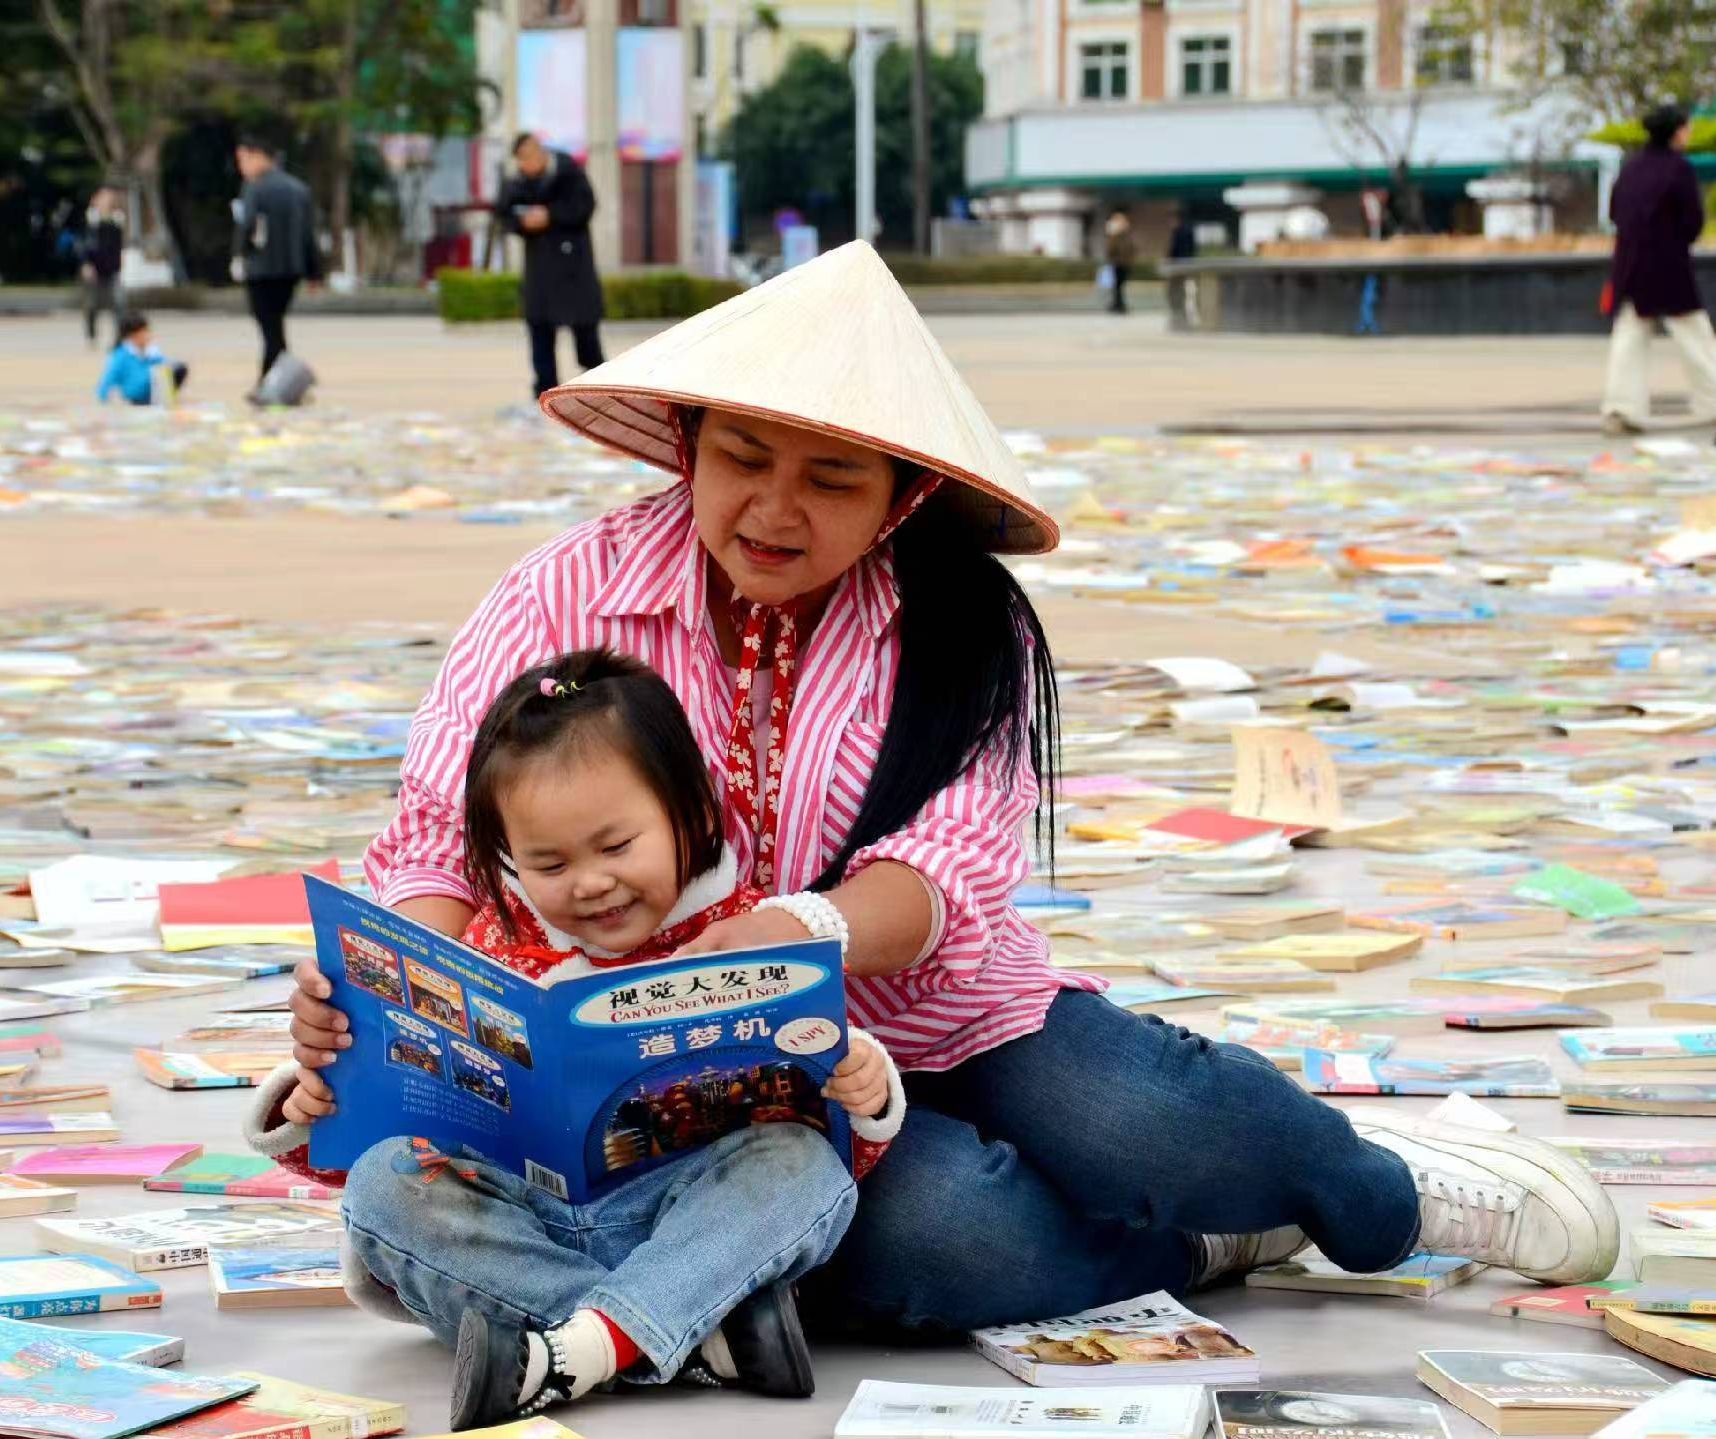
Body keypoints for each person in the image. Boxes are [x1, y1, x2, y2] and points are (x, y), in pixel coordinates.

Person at [263, 241, 1620, 1343]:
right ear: (684, 441)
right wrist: (402, 988)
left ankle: (1369, 1188)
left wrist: (791, 936)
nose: (772, 508)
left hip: (943, 1008)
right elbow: (438, 827)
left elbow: (949, 872)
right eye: (741, 457)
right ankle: (1211, 1231)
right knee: (930, 1244)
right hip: (712, 1095)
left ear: (904, 492)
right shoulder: (559, 594)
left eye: (831, 477)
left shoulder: (960, 629)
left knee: (1156, 1124)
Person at [247, 648, 904, 1429]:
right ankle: (683, 1337)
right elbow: (382, 1139)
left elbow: (826, 1131)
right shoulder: (486, 954)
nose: (590, 882)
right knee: (384, 1186)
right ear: (506, 859)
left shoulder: (745, 942)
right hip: (525, 1224)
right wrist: (315, 1095)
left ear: (689, 814)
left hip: (687, 1217)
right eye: (549, 862)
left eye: (617, 846)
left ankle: (564, 1352)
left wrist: (865, 1090)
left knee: (801, 1165)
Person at [1602, 103, 1716, 435]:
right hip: (1669, 264)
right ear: (1677, 130)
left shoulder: (1630, 167)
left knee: (1630, 337)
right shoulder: (1679, 168)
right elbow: (1693, 220)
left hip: (1630, 264)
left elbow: (1615, 212)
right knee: (1694, 335)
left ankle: (1621, 408)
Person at [496, 133, 604, 398]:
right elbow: (503, 213)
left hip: (573, 266)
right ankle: (545, 390)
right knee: (540, 329)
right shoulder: (518, 183)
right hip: (540, 269)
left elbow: (585, 206)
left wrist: (550, 215)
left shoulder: (569, 173)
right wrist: (522, 222)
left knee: (585, 330)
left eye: (531, 155)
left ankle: (599, 385)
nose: (528, 162)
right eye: (522, 158)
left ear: (541, 151)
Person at [232, 137, 317, 387]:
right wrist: (314, 272)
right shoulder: (298, 188)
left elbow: (246, 226)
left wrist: (239, 255)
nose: (241, 167)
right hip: (291, 269)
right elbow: (307, 234)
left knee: (270, 329)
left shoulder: (254, 187)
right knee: (275, 326)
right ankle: (274, 380)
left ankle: (277, 382)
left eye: (243, 160)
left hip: (261, 269)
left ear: (257, 155)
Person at [95, 311, 187, 406]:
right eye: (143, 332)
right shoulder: (121, 355)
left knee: (179, 368)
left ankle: (165, 399)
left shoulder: (150, 351)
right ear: (131, 335)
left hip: (151, 388)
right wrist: (103, 396)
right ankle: (154, 400)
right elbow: (109, 376)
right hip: (135, 394)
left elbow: (165, 363)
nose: (147, 335)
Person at [80, 185, 126, 349]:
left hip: (113, 268)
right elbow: (85, 245)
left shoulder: (117, 219)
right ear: (96, 199)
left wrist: (122, 263)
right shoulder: (91, 219)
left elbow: (119, 245)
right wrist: (86, 263)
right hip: (94, 269)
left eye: (110, 197)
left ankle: (119, 339)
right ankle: (91, 335)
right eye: (104, 197)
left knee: (118, 304)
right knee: (92, 304)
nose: (107, 200)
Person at [1103, 210, 1136, 315]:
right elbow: (1111, 249)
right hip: (1118, 263)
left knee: (1118, 286)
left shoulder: (1121, 235)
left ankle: (1118, 304)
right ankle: (1118, 304)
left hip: (1121, 263)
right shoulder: (1117, 235)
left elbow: (1130, 248)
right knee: (1118, 286)